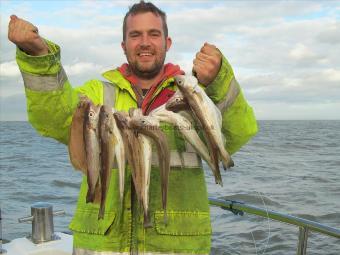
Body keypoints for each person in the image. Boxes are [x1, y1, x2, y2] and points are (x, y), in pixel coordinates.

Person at [8, 1, 258, 254]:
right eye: (135, 35)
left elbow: (236, 134)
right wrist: (38, 57)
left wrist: (219, 80)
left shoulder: (193, 95)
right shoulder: (97, 93)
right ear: (124, 45)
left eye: (154, 34)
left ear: (167, 43)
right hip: (102, 245)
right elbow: (53, 118)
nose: (145, 42)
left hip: (177, 244)